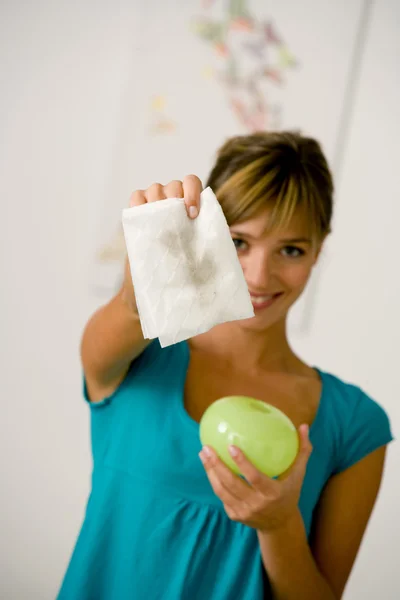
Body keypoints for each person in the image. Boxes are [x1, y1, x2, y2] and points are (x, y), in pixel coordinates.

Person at [58, 131, 393, 600]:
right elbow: (123, 321)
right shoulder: (141, 356)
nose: (259, 275)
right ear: (209, 233)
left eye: (291, 249)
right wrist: (145, 290)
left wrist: (278, 527)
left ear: (319, 250)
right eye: (238, 241)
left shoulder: (355, 424)